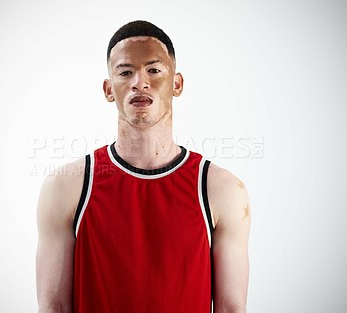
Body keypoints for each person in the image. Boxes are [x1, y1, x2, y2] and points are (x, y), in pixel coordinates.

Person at [36, 20, 251, 313]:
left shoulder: (221, 189)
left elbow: (231, 309)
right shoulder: (67, 187)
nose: (140, 82)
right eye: (126, 72)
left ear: (177, 83)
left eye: (153, 70)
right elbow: (53, 308)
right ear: (108, 89)